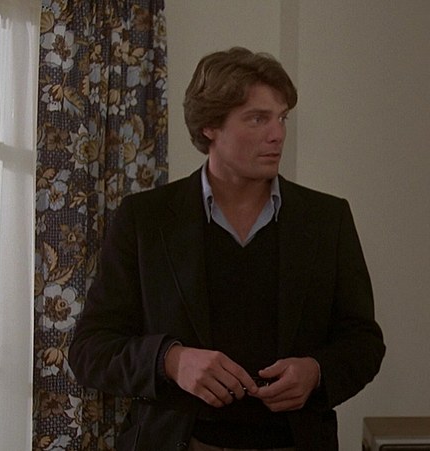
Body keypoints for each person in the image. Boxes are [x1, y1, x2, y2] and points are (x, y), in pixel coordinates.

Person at [69, 47, 385, 451]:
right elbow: (90, 349)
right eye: (257, 119)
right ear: (210, 127)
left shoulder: (327, 219)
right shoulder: (145, 219)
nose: (278, 134)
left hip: (295, 441)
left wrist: (317, 371)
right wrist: (171, 361)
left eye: (282, 118)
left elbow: (363, 341)